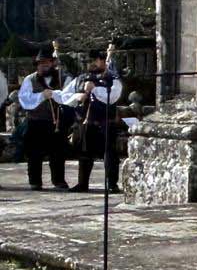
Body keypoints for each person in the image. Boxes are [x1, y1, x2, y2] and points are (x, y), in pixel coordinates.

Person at [68, 49, 126, 194]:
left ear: (103, 61)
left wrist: (95, 89)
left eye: (94, 60)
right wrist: (77, 96)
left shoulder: (113, 78)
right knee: (84, 153)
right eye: (89, 61)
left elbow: (112, 97)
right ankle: (82, 183)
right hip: (87, 121)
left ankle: (112, 184)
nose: (91, 64)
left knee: (109, 153)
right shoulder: (81, 79)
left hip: (106, 121)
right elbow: (66, 94)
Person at [17, 51, 69, 191]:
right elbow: (24, 99)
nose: (44, 66)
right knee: (34, 153)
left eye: (46, 63)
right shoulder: (30, 79)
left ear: (52, 63)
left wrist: (55, 94)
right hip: (36, 121)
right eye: (41, 63)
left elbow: (68, 96)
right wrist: (41, 96)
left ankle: (58, 180)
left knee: (58, 153)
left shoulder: (62, 78)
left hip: (56, 122)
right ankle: (35, 181)